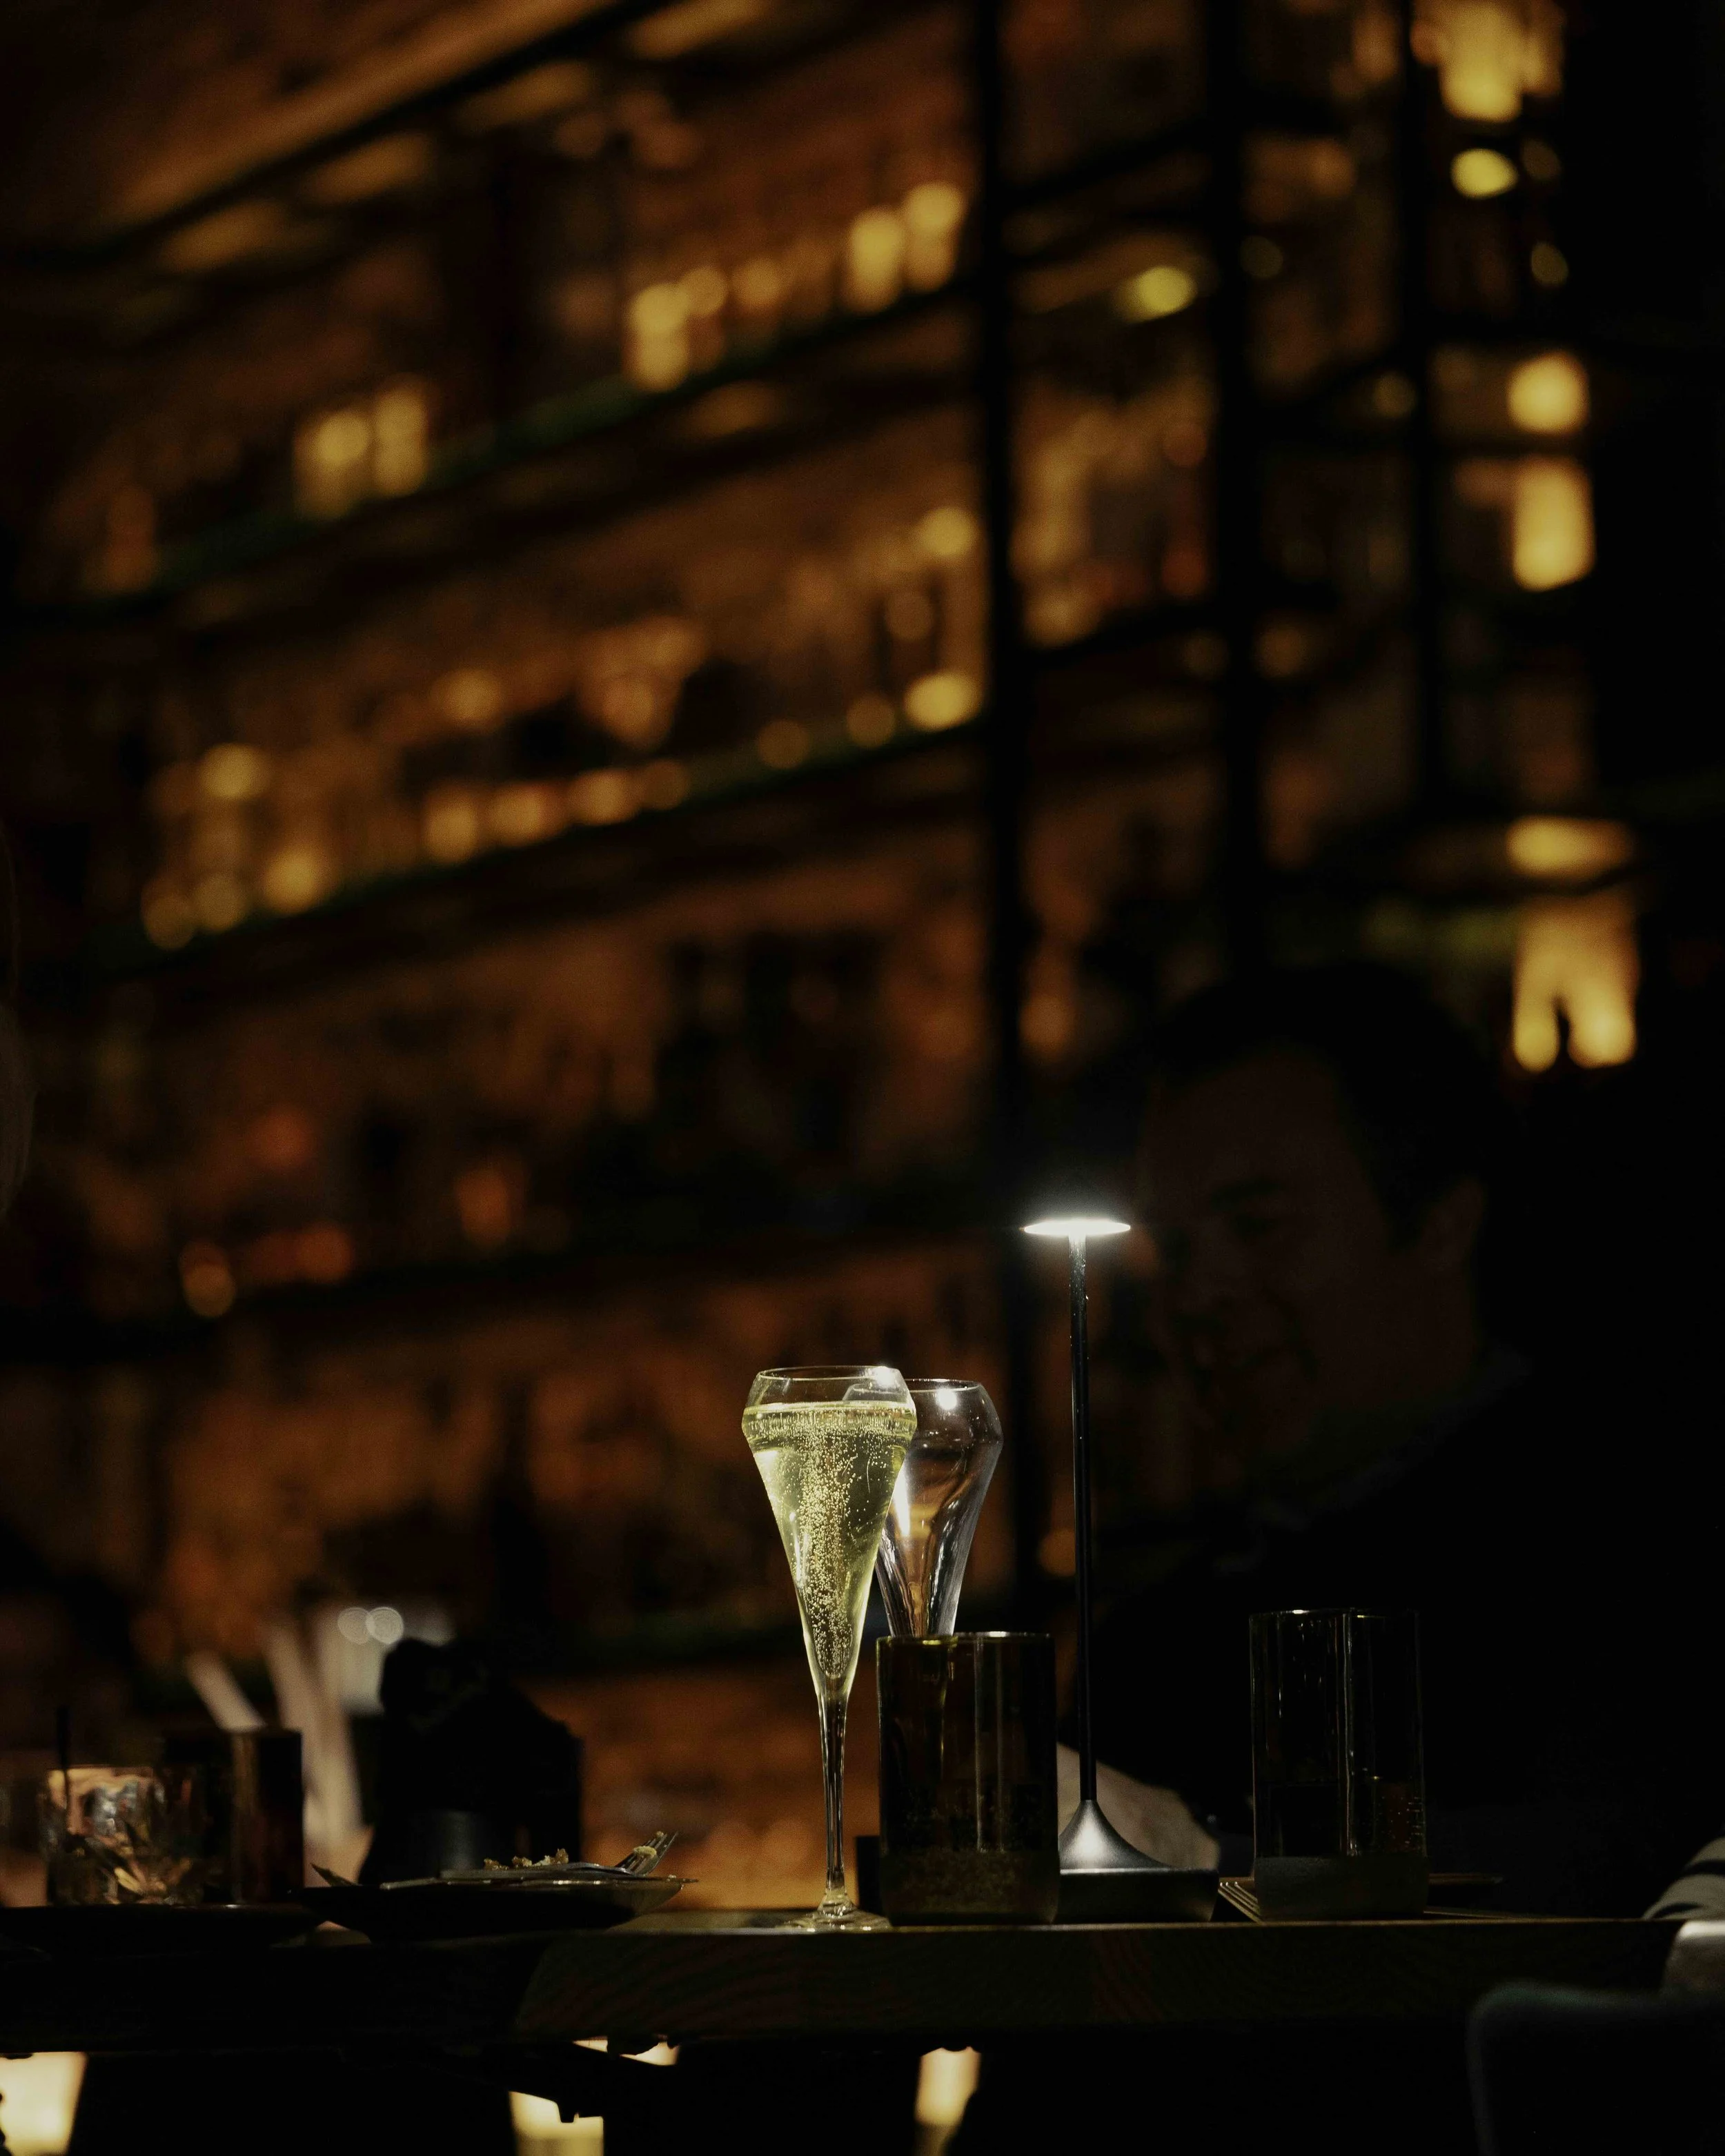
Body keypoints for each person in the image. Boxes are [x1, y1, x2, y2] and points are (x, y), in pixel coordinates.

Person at [1078, 962, 1721, 1915]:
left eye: (1260, 1228)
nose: (1197, 1299)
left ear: (1442, 1225)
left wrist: (1203, 1853)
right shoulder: (1155, 1636)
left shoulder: (1639, 1537)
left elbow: (1632, 1868)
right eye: (1171, 1250)